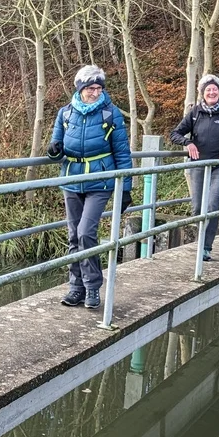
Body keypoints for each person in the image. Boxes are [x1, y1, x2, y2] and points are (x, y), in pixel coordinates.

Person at [46, 65, 133, 309]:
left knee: (86, 233)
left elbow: (122, 152)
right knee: (74, 235)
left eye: (98, 88)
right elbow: (56, 145)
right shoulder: (65, 113)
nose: (95, 92)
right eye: (90, 88)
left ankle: (93, 287)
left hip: (101, 181)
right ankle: (76, 288)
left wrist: (125, 188)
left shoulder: (110, 114)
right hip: (72, 181)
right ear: (80, 89)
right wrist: (54, 151)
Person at [169, 74, 219, 261]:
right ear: (202, 93)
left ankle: (205, 247)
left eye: (214, 89)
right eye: (208, 90)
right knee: (197, 208)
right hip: (199, 164)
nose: (211, 92)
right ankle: (201, 239)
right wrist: (188, 143)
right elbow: (175, 133)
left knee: (212, 205)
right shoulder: (195, 112)